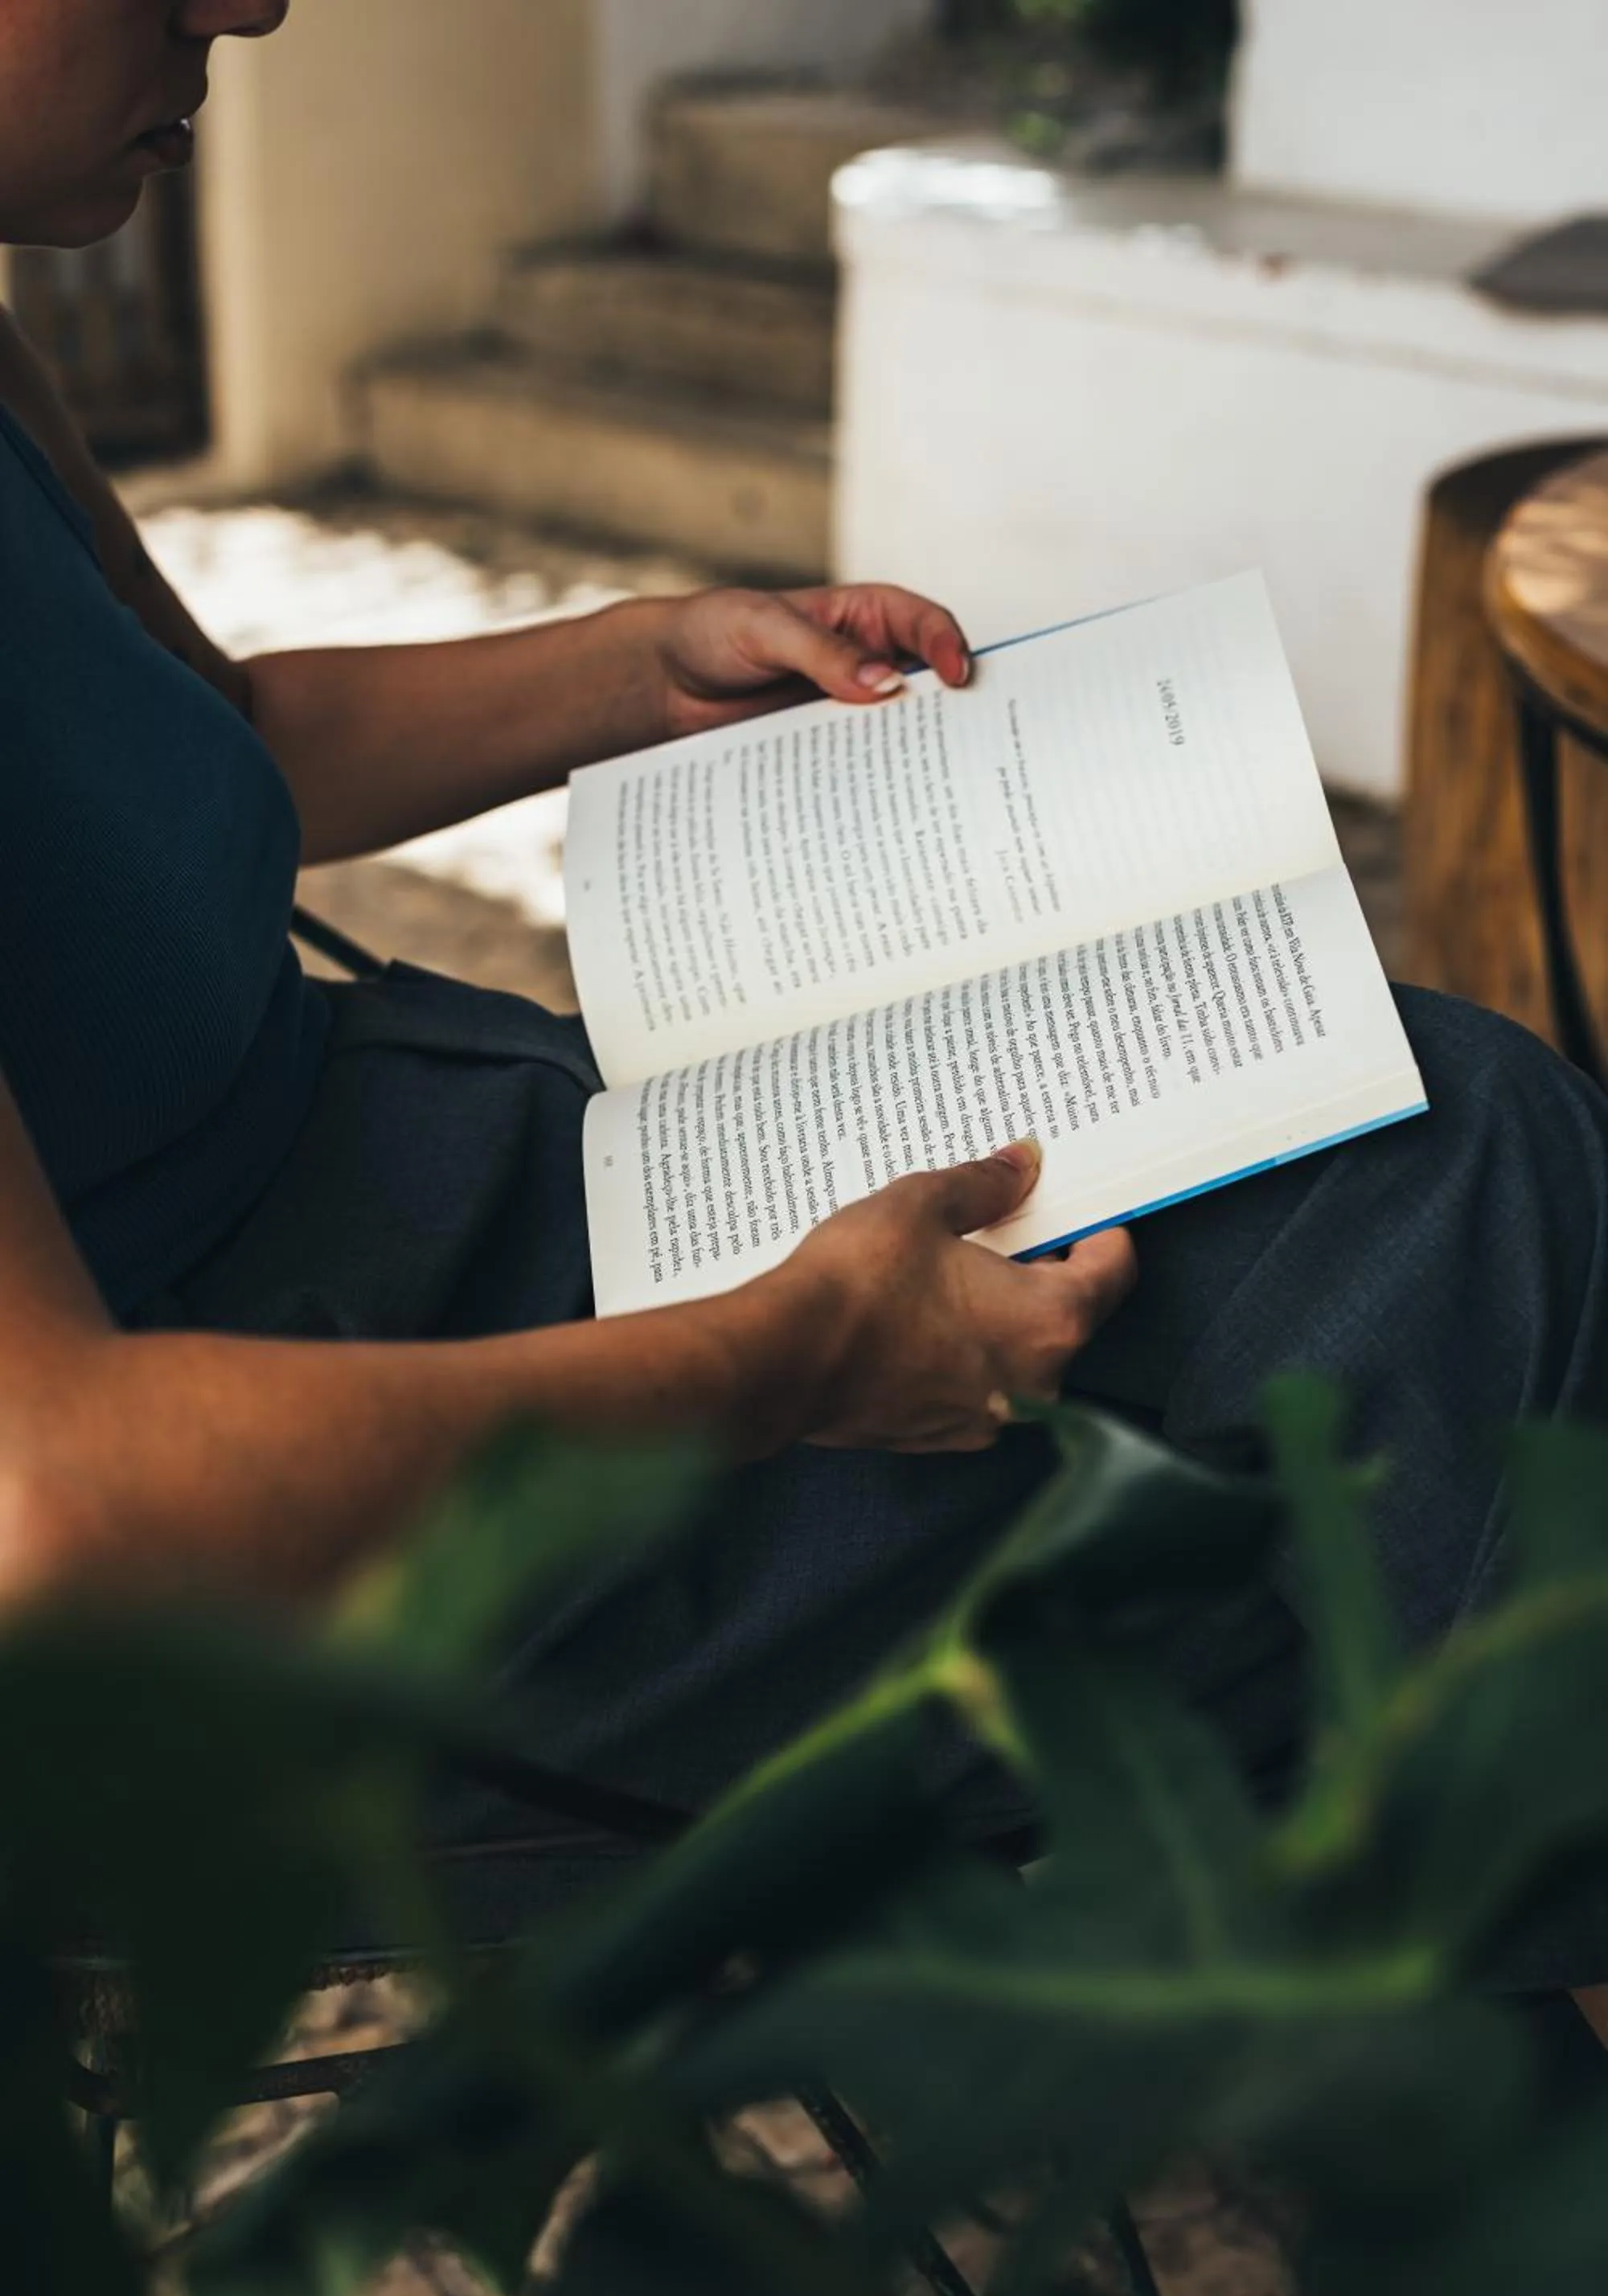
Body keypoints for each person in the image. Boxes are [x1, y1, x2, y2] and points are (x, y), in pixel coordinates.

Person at [4, 2, 1608, 1997]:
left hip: (456, 1176)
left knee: (1452, 1132)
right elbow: (53, 1503)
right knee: (1367, 1499)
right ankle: (1444, 2116)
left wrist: (635, 670)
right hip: (294, 1553)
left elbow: (199, 742)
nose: (248, 2)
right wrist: (791, 1360)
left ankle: (1439, 2009)